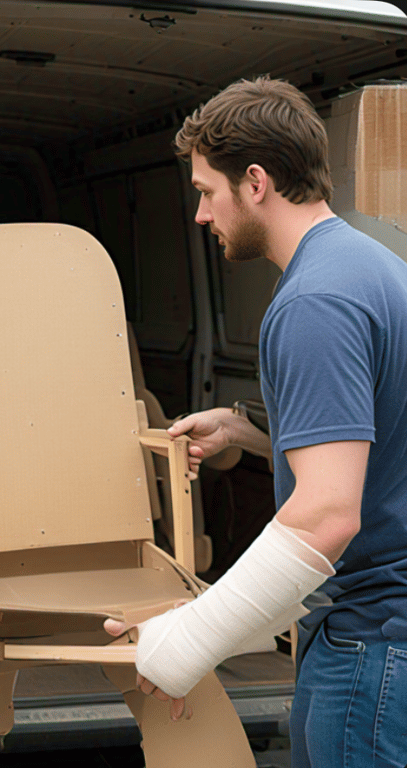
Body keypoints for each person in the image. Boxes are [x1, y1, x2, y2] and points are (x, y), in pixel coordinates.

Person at [104, 76, 407, 767]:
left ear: (257, 182)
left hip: (371, 650)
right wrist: (249, 435)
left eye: (207, 191)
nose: (200, 214)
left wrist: (186, 644)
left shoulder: (313, 303)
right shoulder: (372, 265)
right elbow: (380, 454)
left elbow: (328, 513)